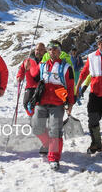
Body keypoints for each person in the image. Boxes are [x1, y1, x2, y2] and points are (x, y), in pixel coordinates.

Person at [29, 42, 75, 170]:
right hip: (42, 101)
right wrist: (27, 65)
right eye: (50, 50)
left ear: (59, 52)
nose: (52, 52)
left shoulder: (65, 67)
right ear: (47, 52)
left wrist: (70, 103)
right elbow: (33, 74)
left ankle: (54, 158)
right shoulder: (42, 65)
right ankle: (48, 144)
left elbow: (71, 87)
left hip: (57, 103)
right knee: (36, 126)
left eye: (55, 50)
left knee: (55, 131)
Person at [16, 43, 46, 117]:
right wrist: (20, 76)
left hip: (42, 87)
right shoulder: (28, 60)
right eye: (37, 50)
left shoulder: (46, 60)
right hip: (30, 86)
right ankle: (32, 117)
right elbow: (22, 69)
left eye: (41, 50)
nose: (38, 52)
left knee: (40, 105)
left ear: (44, 51)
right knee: (26, 103)